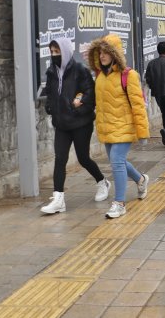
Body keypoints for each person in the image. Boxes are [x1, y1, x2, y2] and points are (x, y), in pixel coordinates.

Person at [40, 38, 110, 214]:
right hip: (62, 124)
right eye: (52, 52)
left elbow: (90, 94)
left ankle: (102, 182)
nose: (55, 55)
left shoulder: (79, 70)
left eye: (58, 52)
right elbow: (49, 92)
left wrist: (78, 106)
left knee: (83, 158)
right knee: (60, 159)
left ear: (65, 52)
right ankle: (58, 199)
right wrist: (50, 107)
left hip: (81, 123)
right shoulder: (51, 72)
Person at [87, 34, 150, 219]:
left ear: (115, 54)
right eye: (100, 52)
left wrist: (142, 131)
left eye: (107, 52)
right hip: (107, 128)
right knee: (119, 162)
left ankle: (119, 203)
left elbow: (138, 105)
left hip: (124, 126)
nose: (103, 56)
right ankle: (141, 179)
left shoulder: (129, 75)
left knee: (116, 159)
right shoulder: (99, 77)